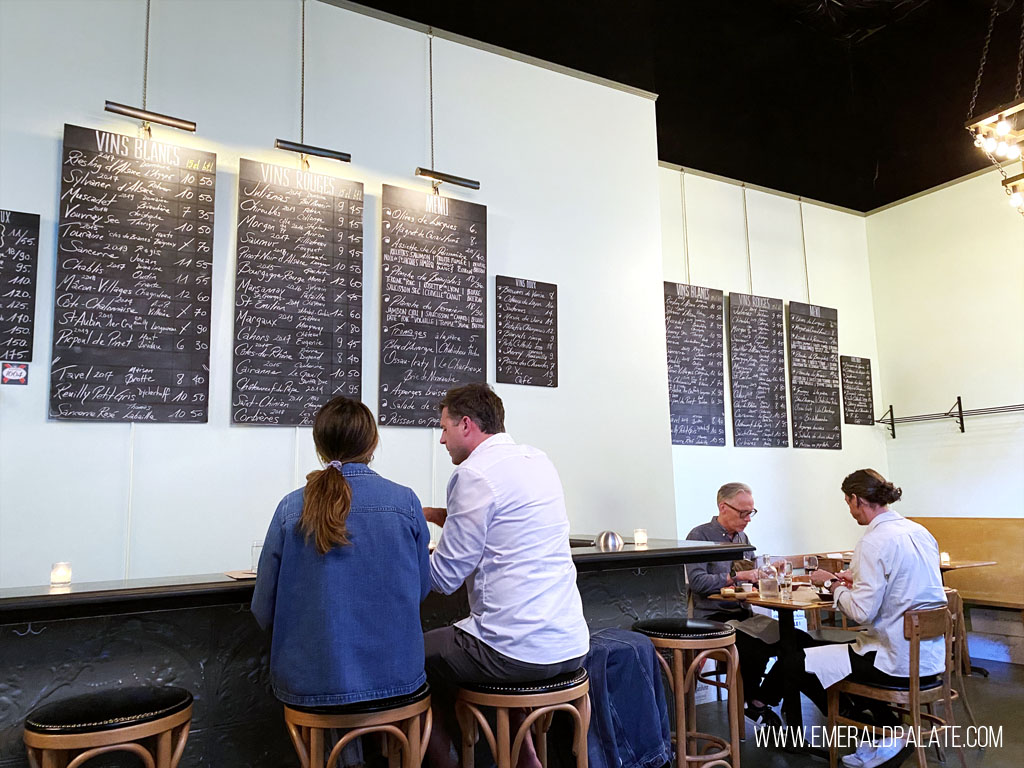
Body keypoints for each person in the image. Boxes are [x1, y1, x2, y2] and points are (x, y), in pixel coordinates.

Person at [422, 382, 589, 768]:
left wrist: (409, 543)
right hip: (570, 645)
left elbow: (445, 578)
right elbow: (506, 524)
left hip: (516, 654)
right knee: (496, 637)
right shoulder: (537, 460)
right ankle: (526, 757)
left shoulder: (472, 475)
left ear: (467, 425)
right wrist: (437, 516)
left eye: (444, 428)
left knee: (410, 658)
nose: (442, 439)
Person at [251, 396, 431, 707]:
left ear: (319, 447)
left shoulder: (290, 508)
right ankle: (364, 756)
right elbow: (422, 590)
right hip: (398, 681)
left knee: (327, 712)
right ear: (372, 444)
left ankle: (341, 757)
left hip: (308, 686)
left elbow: (262, 608)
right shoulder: (405, 503)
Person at [774, 469, 947, 767]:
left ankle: (882, 731)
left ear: (856, 499)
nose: (850, 511)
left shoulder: (872, 541)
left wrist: (832, 584)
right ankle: (885, 733)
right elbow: (902, 587)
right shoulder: (920, 532)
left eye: (847, 503)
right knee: (838, 655)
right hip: (929, 659)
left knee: (795, 661)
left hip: (893, 663)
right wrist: (855, 580)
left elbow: (860, 613)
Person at [684, 482, 783, 728]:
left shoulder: (742, 538)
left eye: (751, 512)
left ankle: (760, 699)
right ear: (723, 507)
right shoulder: (699, 536)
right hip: (711, 618)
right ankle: (753, 701)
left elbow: (747, 577)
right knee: (753, 649)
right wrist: (737, 578)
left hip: (742, 614)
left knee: (794, 642)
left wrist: (765, 575)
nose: (748, 519)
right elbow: (697, 583)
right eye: (743, 513)